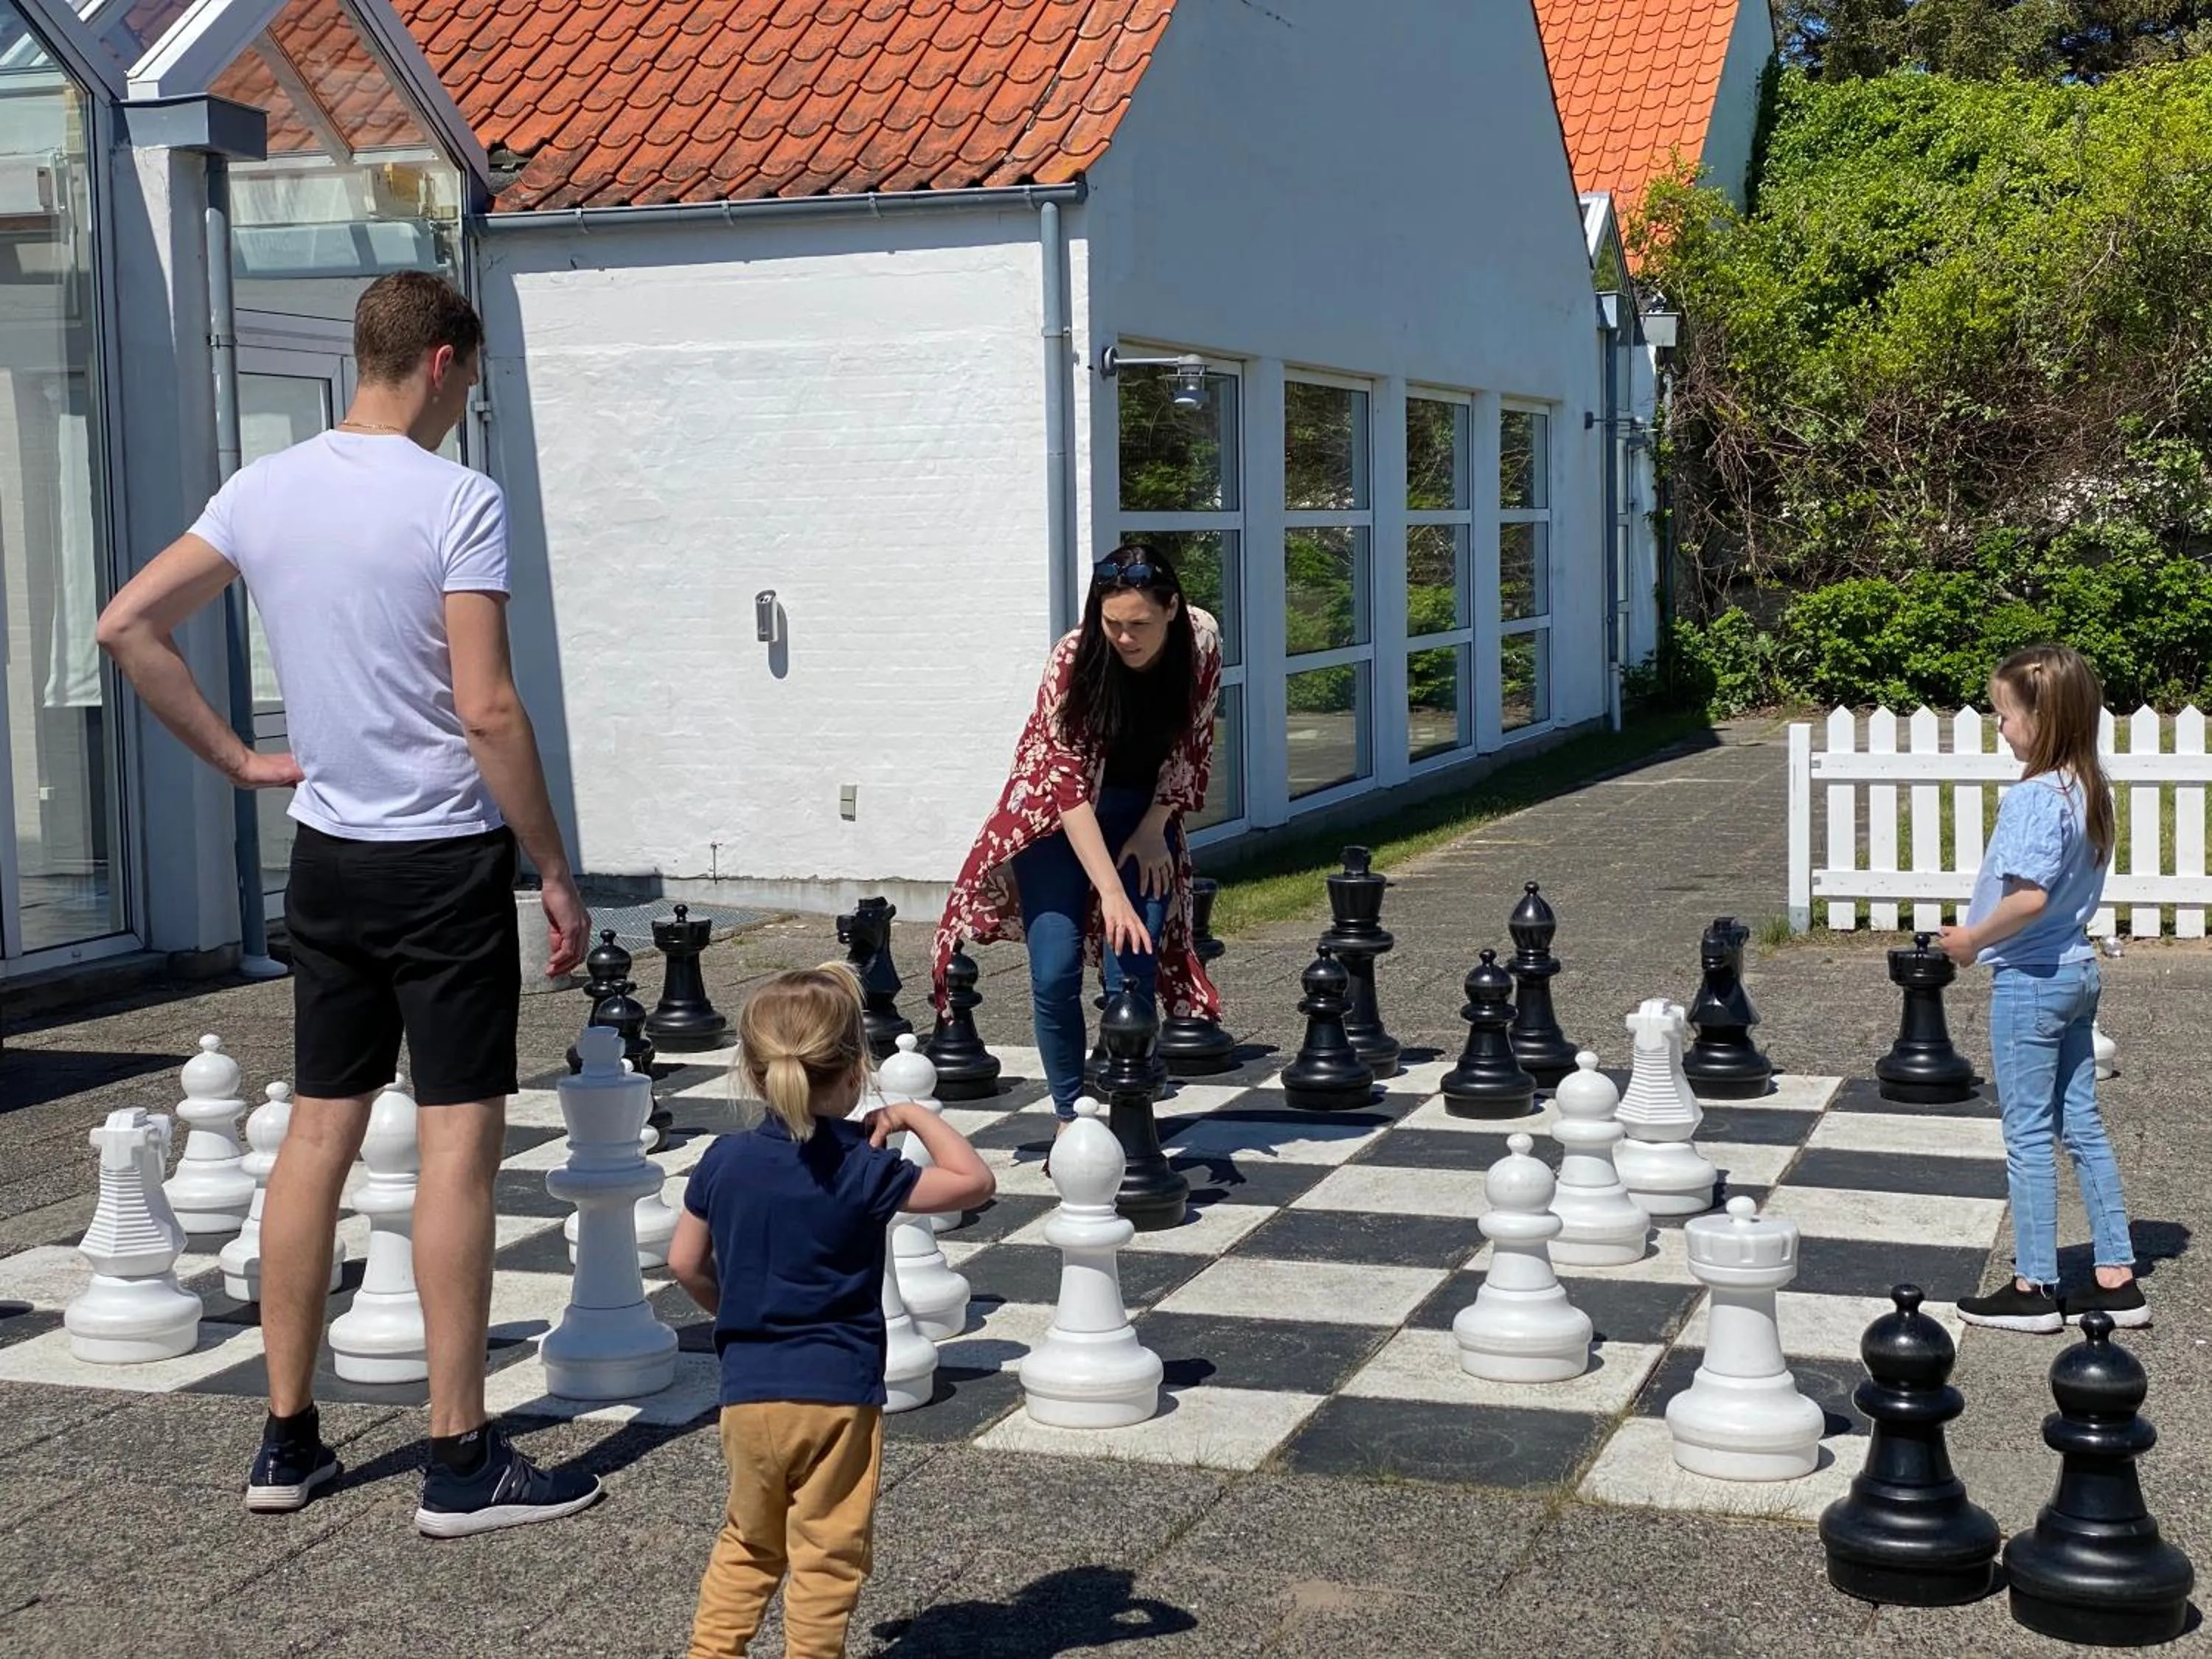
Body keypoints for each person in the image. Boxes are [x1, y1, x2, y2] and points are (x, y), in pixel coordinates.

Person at [95, 271, 600, 1534]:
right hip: (441, 863)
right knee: (455, 1148)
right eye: (470, 378)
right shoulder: (459, 500)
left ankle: (287, 1442)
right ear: (439, 361)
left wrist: (234, 759)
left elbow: (127, 624)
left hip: (324, 856)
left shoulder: (265, 487)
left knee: (316, 1137)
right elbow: (486, 707)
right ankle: (459, 1458)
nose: (467, 399)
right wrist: (550, 862)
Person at [668, 964, 995, 1658]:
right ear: (854, 1072)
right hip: (838, 1395)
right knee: (825, 1554)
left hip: (748, 1394)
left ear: (755, 1073)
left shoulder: (722, 1161)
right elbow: (974, 1183)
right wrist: (912, 1115)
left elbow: (683, 1265)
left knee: (749, 1543)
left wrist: (732, 1313)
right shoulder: (861, 1165)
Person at [929, 543, 1225, 1134]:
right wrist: (1108, 891)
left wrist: (1153, 828)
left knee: (1132, 964)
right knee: (1056, 968)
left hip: (1142, 815)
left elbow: (1194, 742)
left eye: (1139, 624)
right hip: (1057, 824)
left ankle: (1126, 1104)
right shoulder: (1072, 658)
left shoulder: (1202, 641)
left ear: (1171, 610)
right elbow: (1064, 787)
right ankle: (1069, 1115)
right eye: (1112, 623)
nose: (1124, 637)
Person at [1939, 643, 2143, 1334]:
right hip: (2077, 971)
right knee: (2080, 1121)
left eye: (2005, 714)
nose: (2000, 728)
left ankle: (2034, 1286)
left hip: (2029, 978)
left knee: (2026, 1134)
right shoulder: (2087, 785)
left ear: (2043, 716)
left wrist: (1972, 941)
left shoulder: (2033, 796)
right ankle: (2116, 1274)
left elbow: (2026, 898)